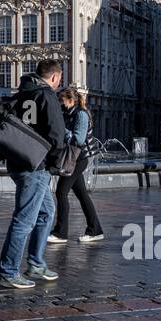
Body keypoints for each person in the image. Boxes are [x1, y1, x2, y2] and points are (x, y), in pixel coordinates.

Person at [0, 59, 67, 290]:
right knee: (24, 220)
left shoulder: (20, 94)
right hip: (37, 166)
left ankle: (36, 263)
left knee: (47, 211)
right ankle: (8, 272)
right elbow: (57, 135)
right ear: (55, 77)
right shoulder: (47, 96)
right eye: (59, 80)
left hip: (18, 161)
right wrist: (56, 163)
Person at [48, 88, 103, 245]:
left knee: (61, 192)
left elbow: (78, 139)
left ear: (71, 101)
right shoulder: (69, 113)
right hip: (75, 157)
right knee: (82, 194)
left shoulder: (80, 114)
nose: (60, 104)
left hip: (78, 158)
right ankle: (95, 229)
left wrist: (61, 128)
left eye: (62, 101)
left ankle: (61, 233)